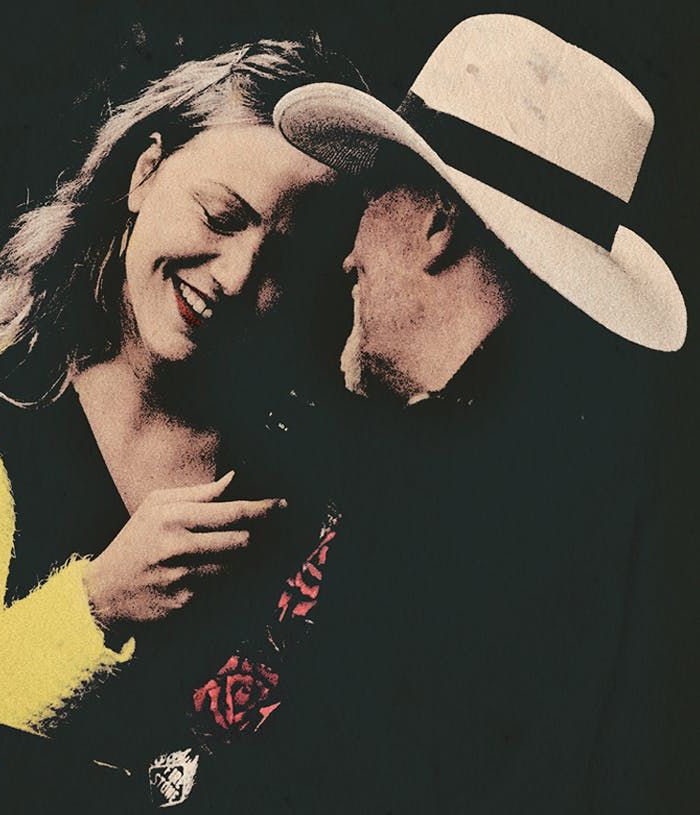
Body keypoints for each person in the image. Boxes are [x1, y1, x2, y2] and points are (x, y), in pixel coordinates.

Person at [0, 38, 365, 814]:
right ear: (145, 172)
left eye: (284, 262)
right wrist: (92, 607)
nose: (236, 277)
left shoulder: (298, 495)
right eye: (221, 215)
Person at [261, 14, 686, 814]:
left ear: (438, 223)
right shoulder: (523, 469)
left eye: (375, 193)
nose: (348, 253)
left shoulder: (453, 521)